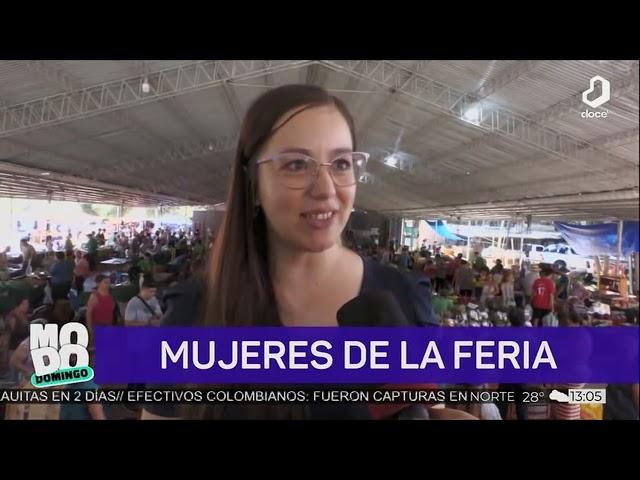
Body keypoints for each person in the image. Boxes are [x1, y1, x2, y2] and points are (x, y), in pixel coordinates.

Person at [142, 84, 444, 421]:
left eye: (341, 163)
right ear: (253, 183)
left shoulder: (405, 301)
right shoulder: (195, 313)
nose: (326, 189)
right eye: (297, 164)